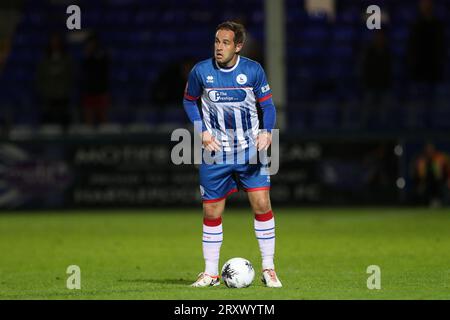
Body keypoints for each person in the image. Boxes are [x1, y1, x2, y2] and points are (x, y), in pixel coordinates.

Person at [183, 21, 281, 288]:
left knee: (262, 204)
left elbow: (268, 106)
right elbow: (189, 101)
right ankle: (211, 274)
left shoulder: (253, 70)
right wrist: (201, 130)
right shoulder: (201, 71)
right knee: (211, 210)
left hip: (250, 150)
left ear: (238, 46)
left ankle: (269, 269)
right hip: (215, 152)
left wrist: (266, 132)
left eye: (225, 43)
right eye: (216, 41)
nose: (219, 47)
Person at [35, 33, 73, 128]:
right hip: (48, 96)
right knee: (48, 123)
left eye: (57, 42)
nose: (55, 44)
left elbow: (70, 76)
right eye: (53, 42)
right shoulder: (44, 60)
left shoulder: (67, 59)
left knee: (63, 121)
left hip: (62, 95)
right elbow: (40, 77)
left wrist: (65, 89)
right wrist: (44, 90)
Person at [81, 33, 110, 126]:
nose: (91, 45)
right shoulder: (86, 57)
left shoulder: (103, 55)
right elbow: (84, 72)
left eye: (93, 43)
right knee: (89, 119)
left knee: (103, 118)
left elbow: (105, 71)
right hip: (89, 91)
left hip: (101, 91)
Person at [412, 143, 450, 207]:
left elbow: (447, 169)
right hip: (427, 182)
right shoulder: (422, 159)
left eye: (430, 149)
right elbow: (417, 174)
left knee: (443, 190)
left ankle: (442, 204)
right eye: (427, 149)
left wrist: (448, 179)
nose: (429, 151)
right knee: (422, 191)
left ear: (434, 149)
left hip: (440, 182)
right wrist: (420, 183)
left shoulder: (440, 157)